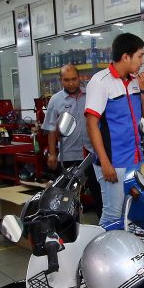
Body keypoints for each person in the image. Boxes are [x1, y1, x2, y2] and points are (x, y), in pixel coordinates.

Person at [84, 33, 144, 227]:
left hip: (136, 160)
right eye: (140, 56)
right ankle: (99, 256)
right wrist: (105, 163)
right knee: (113, 216)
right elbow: (91, 125)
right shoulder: (100, 82)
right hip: (114, 162)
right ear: (125, 57)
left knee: (131, 214)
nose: (142, 61)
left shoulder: (134, 81)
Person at [42, 63, 100, 212]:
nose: (71, 83)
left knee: (98, 192)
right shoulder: (55, 100)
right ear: (60, 80)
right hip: (68, 156)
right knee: (67, 196)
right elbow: (51, 128)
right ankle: (68, 228)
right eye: (66, 80)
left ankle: (103, 225)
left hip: (91, 154)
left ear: (79, 78)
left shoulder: (90, 96)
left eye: (74, 79)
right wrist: (52, 154)